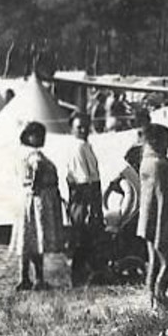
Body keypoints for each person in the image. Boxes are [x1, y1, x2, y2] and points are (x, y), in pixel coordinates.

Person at [12, 121, 65, 292]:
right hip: (37, 199)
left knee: (27, 239)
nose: (42, 139)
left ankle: (24, 277)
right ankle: (39, 278)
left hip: (25, 198)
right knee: (36, 239)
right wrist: (36, 185)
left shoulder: (20, 153)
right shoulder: (34, 154)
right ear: (29, 136)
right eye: (38, 135)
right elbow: (38, 166)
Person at [137, 124, 168, 307]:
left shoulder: (145, 162)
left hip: (148, 218)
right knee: (167, 260)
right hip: (164, 217)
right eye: (166, 141)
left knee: (153, 260)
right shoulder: (160, 165)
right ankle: (160, 295)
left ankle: (151, 297)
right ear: (157, 142)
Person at [62, 113, 103, 287]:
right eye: (79, 127)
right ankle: (77, 278)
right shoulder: (77, 147)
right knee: (81, 237)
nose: (84, 130)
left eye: (86, 126)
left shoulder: (87, 145)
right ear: (71, 129)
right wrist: (90, 207)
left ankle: (89, 273)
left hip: (91, 193)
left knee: (89, 237)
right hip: (83, 196)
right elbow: (83, 180)